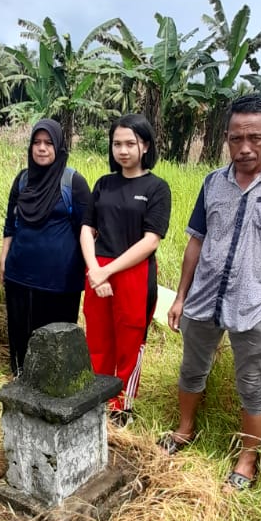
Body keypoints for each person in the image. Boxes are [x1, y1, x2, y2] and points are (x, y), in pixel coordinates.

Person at [162, 93, 261, 490]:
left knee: (251, 381)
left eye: (255, 138)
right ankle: (184, 429)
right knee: (192, 368)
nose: (244, 148)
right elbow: (196, 241)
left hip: (256, 303)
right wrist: (180, 296)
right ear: (225, 137)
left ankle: (247, 458)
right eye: (235, 139)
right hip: (205, 297)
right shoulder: (213, 181)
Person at [80, 114, 171, 426]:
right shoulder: (104, 184)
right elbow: (86, 229)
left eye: (130, 143)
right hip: (98, 269)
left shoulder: (157, 188)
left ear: (144, 146)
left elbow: (151, 240)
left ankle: (122, 408)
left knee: (130, 343)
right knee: (98, 340)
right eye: (117, 143)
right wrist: (94, 270)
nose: (123, 150)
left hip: (135, 274)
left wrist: (108, 272)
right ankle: (98, 400)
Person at [0, 119, 91, 376]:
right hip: (19, 273)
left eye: (48, 143)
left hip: (59, 280)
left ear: (59, 146)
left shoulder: (73, 182)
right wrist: (4, 258)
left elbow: (86, 229)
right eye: (37, 143)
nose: (41, 149)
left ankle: (53, 379)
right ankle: (21, 375)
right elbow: (10, 225)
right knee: (20, 329)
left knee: (57, 335)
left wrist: (90, 269)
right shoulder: (22, 180)